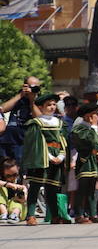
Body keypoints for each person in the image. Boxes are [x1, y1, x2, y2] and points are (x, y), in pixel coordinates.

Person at [21, 93, 68, 225]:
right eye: (49, 105)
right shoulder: (36, 123)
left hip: (57, 156)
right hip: (41, 157)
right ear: (41, 107)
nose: (52, 107)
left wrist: (61, 156)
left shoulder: (59, 123)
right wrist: (49, 156)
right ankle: (30, 215)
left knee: (53, 188)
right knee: (35, 186)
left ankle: (54, 215)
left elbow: (63, 140)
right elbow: (36, 143)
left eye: (54, 104)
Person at [68, 102, 98, 223]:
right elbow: (89, 141)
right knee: (83, 188)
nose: (97, 117)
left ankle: (93, 214)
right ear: (87, 116)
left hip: (94, 161)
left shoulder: (93, 128)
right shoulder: (79, 129)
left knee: (92, 189)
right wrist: (94, 126)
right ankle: (79, 215)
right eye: (94, 114)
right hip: (84, 161)